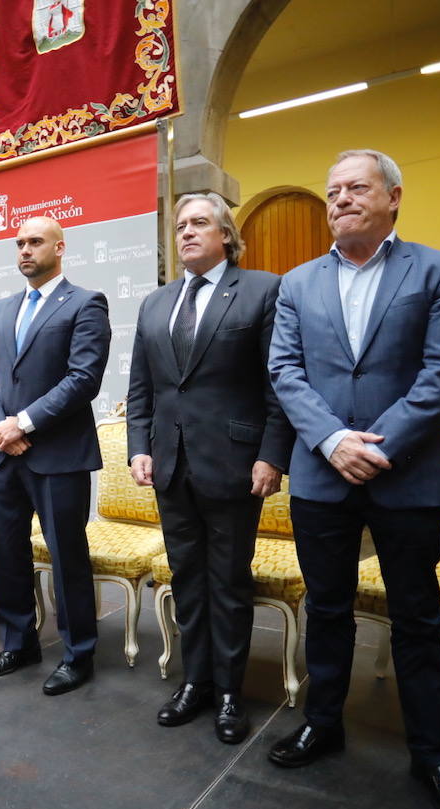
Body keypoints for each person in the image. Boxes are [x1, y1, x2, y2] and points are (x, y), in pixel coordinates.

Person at [267, 150, 440, 809]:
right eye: (331, 191)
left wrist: (376, 445)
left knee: (418, 617)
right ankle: (321, 724)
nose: (339, 199)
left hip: (407, 472)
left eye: (355, 187)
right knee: (326, 608)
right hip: (320, 475)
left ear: (393, 196)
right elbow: (285, 371)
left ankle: (432, 754)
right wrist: (333, 441)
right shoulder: (297, 282)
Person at [126, 192, 293, 742]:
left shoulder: (263, 290)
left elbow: (278, 384)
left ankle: (228, 692)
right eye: (180, 226)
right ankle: (194, 682)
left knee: (228, 583)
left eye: (199, 223)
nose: (187, 233)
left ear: (226, 234)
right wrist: (138, 446)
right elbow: (143, 388)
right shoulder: (155, 304)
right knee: (188, 582)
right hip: (171, 467)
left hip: (236, 465)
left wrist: (271, 454)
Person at [0, 216, 111, 695]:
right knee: (6, 554)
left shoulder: (86, 303)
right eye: (19, 243)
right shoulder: (2, 308)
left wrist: (22, 423)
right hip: (1, 454)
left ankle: (78, 653)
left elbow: (83, 379)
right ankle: (18, 642)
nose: (25, 250)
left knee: (67, 555)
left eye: (35, 242)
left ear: (60, 247)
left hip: (58, 454)